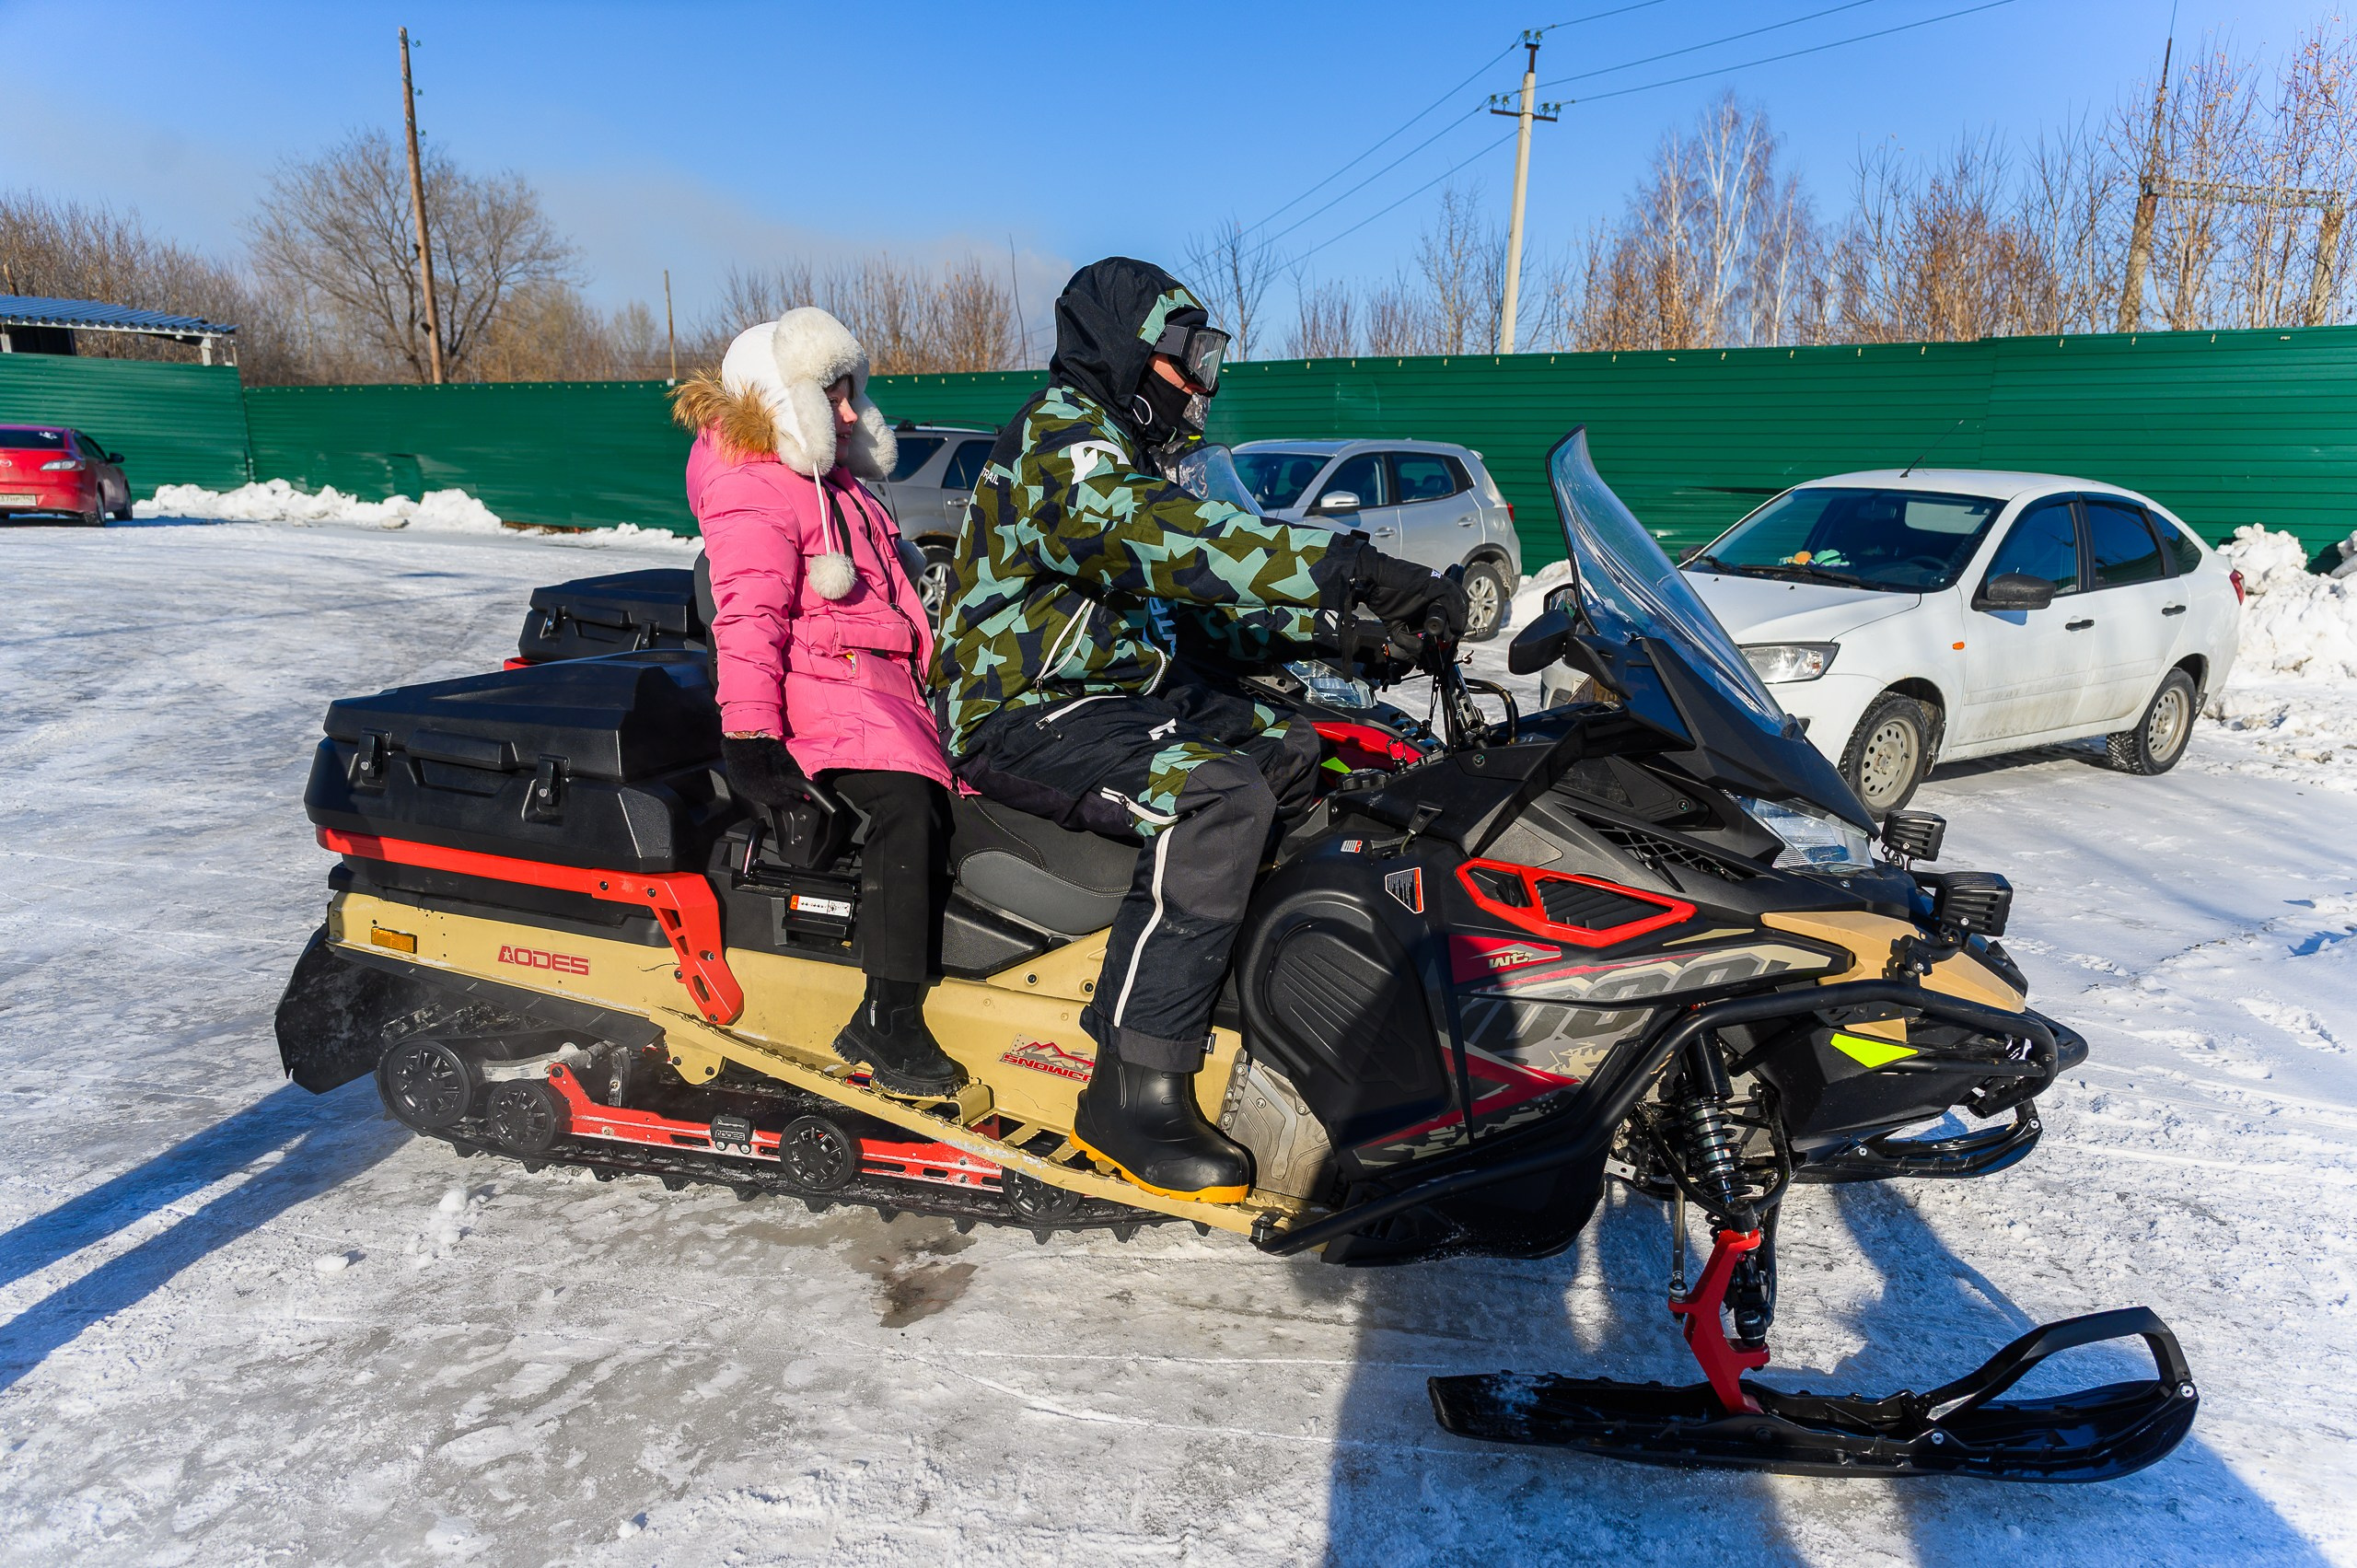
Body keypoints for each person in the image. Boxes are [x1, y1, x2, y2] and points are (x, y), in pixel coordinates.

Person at [935, 257, 1465, 1202]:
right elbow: (1171, 539)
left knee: (1294, 747)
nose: (1200, 384)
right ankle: (1132, 1083)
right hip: (1020, 706)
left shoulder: (1123, 452)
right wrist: (1352, 570)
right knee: (1217, 794)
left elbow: (1191, 616)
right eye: (1188, 358)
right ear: (1124, 353)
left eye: (1210, 359)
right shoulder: (1063, 441)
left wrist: (1347, 637)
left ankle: (1250, 994)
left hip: (1112, 694)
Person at [672, 308, 965, 1097]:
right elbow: (748, 620)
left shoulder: (833, 483)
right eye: (830, 395)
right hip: (817, 707)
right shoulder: (752, 487)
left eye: (849, 393)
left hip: (873, 695)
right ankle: (887, 1017)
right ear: (781, 398)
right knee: (907, 806)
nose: (849, 412)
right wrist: (752, 741)